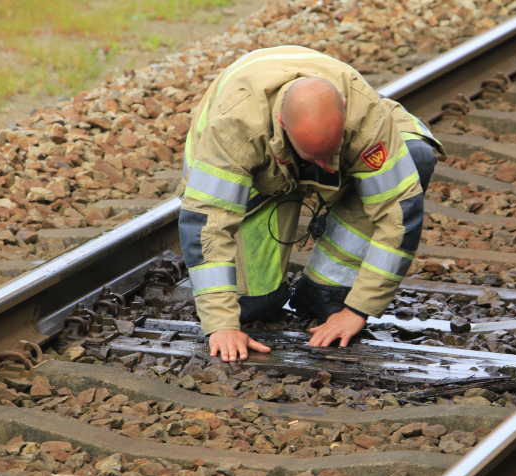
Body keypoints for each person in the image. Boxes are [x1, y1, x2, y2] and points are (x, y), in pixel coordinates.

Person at [176, 45, 444, 362]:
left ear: (344, 108)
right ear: (282, 123)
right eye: (313, 157)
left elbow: (399, 214)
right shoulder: (233, 128)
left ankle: (324, 286)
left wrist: (359, 309)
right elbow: (207, 223)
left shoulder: (365, 114)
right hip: (256, 172)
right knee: (252, 306)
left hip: (324, 134)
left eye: (330, 153)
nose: (327, 167)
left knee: (414, 158)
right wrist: (221, 325)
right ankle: (262, 293)